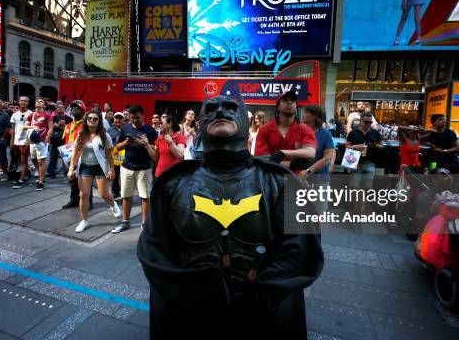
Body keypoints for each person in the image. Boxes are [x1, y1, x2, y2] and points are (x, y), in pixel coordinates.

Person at [137, 94, 323, 338]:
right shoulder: (172, 183)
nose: (220, 112)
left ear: (245, 124)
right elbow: (154, 251)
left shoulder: (280, 181)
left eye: (230, 108)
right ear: (200, 125)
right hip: (191, 315)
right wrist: (198, 290)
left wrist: (254, 294)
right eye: (211, 109)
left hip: (262, 317)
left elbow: (302, 251)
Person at [68, 111, 121, 233]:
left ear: (99, 121)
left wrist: (112, 169)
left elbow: (109, 154)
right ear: (86, 120)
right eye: (90, 118)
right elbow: (75, 152)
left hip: (100, 167)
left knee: (104, 194)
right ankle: (84, 220)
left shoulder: (105, 136)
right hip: (85, 168)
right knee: (83, 194)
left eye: (95, 119)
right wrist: (71, 168)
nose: (92, 120)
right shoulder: (81, 134)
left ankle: (113, 204)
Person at [112, 104, 158, 233]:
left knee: (144, 196)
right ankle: (125, 221)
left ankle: (144, 222)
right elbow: (118, 147)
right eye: (132, 118)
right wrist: (127, 142)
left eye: (137, 117)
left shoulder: (150, 131)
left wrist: (145, 144)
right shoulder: (125, 128)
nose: (134, 120)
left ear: (143, 116)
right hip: (127, 167)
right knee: (126, 196)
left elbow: (155, 155)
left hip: (144, 168)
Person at [254, 91, 316, 173]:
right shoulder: (264, 130)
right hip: (270, 180)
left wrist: (283, 153)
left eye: (293, 101)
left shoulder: (305, 130)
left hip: (294, 181)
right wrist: (291, 164)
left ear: (296, 107)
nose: (290, 102)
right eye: (285, 100)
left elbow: (311, 152)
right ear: (278, 107)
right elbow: (262, 161)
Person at [62, 101, 91, 209]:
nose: (73, 109)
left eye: (77, 108)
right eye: (72, 107)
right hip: (70, 158)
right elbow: (66, 141)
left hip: (84, 157)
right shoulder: (69, 125)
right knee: (73, 180)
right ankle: (74, 200)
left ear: (83, 110)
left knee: (85, 181)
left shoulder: (87, 125)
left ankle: (88, 202)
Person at [23, 98, 53, 191]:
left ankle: (41, 181)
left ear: (44, 105)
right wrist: (33, 126)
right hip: (32, 141)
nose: (38, 103)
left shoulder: (47, 115)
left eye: (41, 102)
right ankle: (41, 174)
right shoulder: (31, 115)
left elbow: (51, 127)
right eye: (37, 101)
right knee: (33, 159)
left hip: (42, 141)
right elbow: (25, 126)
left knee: (41, 161)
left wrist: (47, 137)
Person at [143, 113, 186, 178]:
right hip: (159, 175)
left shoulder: (179, 137)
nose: (159, 125)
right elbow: (155, 157)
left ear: (169, 124)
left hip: (173, 176)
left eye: (161, 123)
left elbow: (180, 155)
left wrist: (171, 143)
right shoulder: (160, 138)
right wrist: (147, 145)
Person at [302, 105, 336, 180]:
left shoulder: (325, 134)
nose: (303, 115)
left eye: (306, 113)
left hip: (319, 177)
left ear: (315, 116)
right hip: (298, 176)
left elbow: (326, 158)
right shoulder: (299, 131)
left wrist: (307, 172)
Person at [11, 97, 33, 188]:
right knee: (20, 160)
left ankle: (21, 179)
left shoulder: (31, 113)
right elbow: (13, 129)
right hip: (16, 140)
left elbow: (32, 128)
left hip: (25, 140)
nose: (23, 102)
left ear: (28, 103)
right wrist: (11, 141)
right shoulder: (15, 114)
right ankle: (26, 174)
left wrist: (29, 140)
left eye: (25, 101)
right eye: (21, 100)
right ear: (19, 102)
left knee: (24, 159)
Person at [47, 104, 72, 178]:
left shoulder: (69, 119)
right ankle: (51, 173)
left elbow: (71, 130)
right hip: (53, 140)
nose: (60, 109)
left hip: (64, 141)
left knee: (66, 158)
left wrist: (64, 126)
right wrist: (55, 126)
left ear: (64, 110)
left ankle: (67, 173)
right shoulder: (52, 118)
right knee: (52, 158)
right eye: (58, 107)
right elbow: (48, 128)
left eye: (62, 107)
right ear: (56, 109)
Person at [109, 112, 126, 199]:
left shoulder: (127, 128)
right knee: (115, 175)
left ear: (123, 120)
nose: (118, 120)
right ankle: (115, 192)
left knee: (124, 176)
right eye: (116, 118)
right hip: (114, 155)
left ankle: (124, 193)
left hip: (125, 156)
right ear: (114, 119)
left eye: (120, 118)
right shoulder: (110, 130)